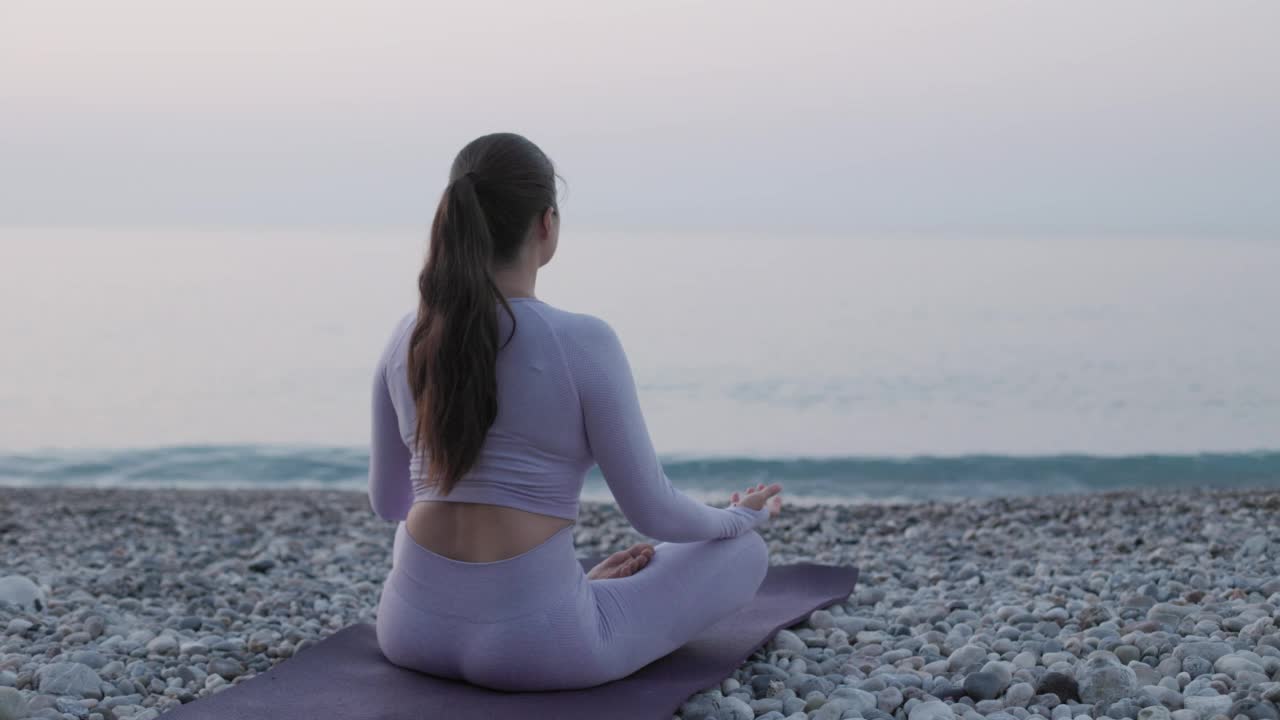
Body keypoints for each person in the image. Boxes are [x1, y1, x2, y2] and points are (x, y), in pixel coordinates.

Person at [367, 132, 785, 691]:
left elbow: (389, 503)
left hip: (409, 632)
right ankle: (575, 594)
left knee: (593, 578)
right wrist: (739, 518)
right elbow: (654, 513)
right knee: (743, 554)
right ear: (546, 224)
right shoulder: (581, 341)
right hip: (541, 646)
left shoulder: (406, 338)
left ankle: (574, 589)